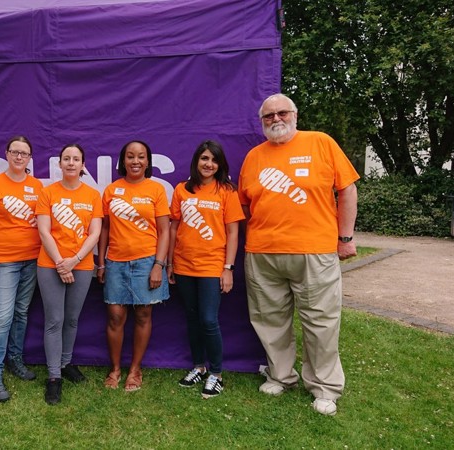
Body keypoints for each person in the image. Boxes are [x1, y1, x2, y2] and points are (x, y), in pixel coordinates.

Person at [238, 93, 359, 416]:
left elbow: (346, 189)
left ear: (295, 115)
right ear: (261, 122)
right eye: (268, 116)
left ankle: (325, 387)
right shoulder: (253, 157)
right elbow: (247, 204)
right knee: (269, 319)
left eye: (281, 113)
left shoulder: (320, 143)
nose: (275, 120)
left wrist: (345, 237)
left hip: (315, 250)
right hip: (263, 252)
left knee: (320, 321)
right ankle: (281, 375)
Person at [167, 140, 244, 399]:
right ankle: (198, 367)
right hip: (184, 264)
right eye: (204, 159)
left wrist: (228, 268)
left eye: (213, 160)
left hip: (212, 266)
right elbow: (174, 228)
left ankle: (217, 373)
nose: (208, 164)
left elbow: (233, 232)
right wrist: (169, 264)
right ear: (196, 161)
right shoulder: (181, 190)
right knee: (192, 317)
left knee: (209, 320)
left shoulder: (226, 191)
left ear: (219, 164)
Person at [96, 140, 169, 392]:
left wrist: (159, 264)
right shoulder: (111, 190)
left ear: (148, 161)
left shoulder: (156, 190)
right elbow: (105, 227)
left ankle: (135, 370)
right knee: (115, 316)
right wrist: (101, 262)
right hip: (115, 261)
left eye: (140, 157)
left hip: (147, 261)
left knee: (143, 314)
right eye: (130, 156)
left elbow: (164, 229)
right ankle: (115, 369)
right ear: (123, 160)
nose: (135, 161)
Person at [36, 144, 102, 405]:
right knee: (54, 320)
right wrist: (60, 263)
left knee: (72, 319)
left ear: (83, 164)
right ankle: (54, 377)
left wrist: (73, 261)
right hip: (50, 264)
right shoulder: (48, 193)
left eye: (76, 159)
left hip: (82, 265)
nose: (71, 163)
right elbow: (44, 231)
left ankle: (65, 363)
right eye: (67, 159)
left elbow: (94, 233)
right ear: (60, 164)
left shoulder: (93, 195)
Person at [0, 136, 43, 402]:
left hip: (32, 260)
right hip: (4, 261)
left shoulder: (37, 186)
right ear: (6, 154)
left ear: (29, 158)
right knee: (2, 317)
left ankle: (14, 360)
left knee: (21, 313)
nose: (19, 157)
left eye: (24, 153)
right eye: (15, 152)